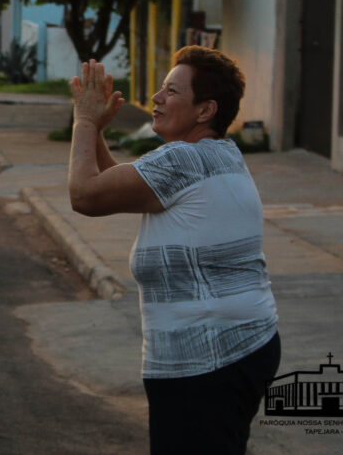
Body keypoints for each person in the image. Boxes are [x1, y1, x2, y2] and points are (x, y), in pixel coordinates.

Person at [67, 46, 279, 455]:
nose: (156, 97)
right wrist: (96, 131)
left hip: (208, 360)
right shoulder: (216, 154)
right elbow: (119, 184)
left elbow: (85, 195)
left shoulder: (183, 159)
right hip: (237, 349)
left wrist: (84, 121)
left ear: (205, 110)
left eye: (171, 91)